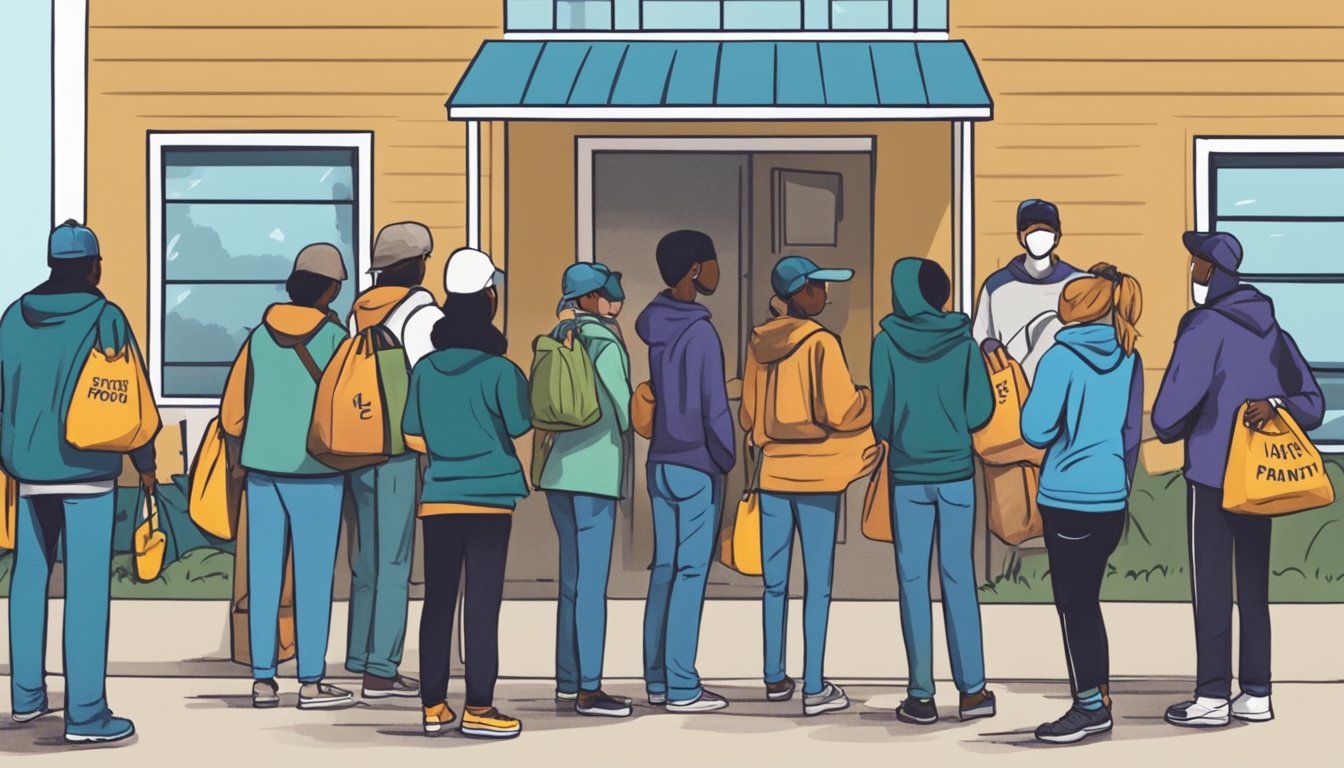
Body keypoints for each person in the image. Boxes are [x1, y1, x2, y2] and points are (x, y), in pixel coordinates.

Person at [1152, 232, 1324, 728]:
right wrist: (1275, 405)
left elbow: (1167, 416)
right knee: (1252, 588)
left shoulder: (1201, 326)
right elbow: (1312, 403)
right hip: (1262, 478)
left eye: (1196, 266)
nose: (1191, 275)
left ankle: (1210, 696)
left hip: (1211, 476)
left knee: (1211, 587)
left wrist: (1178, 423)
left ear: (1209, 272)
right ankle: (1255, 693)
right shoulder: (1273, 331)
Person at [0, 220, 157, 744]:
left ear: (51, 264)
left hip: (26, 469)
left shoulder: (13, 319)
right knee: (86, 587)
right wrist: (147, 461)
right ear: (93, 266)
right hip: (88, 471)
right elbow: (130, 395)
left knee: (29, 576)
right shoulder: (106, 317)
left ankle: (26, 698)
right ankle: (86, 715)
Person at [740, 256, 876, 716]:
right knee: (816, 584)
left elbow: (747, 416)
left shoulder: (759, 344)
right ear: (801, 294)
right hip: (818, 475)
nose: (825, 294)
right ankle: (815, 686)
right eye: (818, 286)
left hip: (773, 472)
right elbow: (842, 411)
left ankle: (775, 677)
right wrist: (869, 399)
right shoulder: (822, 343)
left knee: (773, 583)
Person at [406, 247, 531, 739]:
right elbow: (521, 423)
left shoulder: (424, 370)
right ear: (487, 298)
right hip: (490, 499)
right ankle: (480, 706)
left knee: (438, 601)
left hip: (439, 497)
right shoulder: (500, 371)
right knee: (481, 603)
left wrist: (447, 443)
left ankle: (433, 705)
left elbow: (412, 433)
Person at [221, 243, 351, 711]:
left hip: (261, 470)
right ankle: (312, 682)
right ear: (331, 288)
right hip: (317, 470)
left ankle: (262, 679)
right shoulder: (337, 341)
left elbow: (232, 415)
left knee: (264, 574)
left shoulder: (258, 336)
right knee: (314, 576)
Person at [1021, 263, 1144, 744]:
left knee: (1074, 605)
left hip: (1067, 497)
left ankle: (1089, 707)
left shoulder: (1059, 359)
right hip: (1111, 496)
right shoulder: (1130, 354)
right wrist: (1120, 480)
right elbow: (1131, 432)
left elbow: (1035, 429)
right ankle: (1101, 692)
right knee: (1088, 600)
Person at [871, 257, 996, 726]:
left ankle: (921, 694)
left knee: (912, 583)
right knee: (959, 577)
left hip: (908, 477)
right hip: (957, 472)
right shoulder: (963, 344)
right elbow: (981, 409)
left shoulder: (885, 344)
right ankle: (973, 691)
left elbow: (879, 417)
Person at [634, 229, 736, 713]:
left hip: (660, 462)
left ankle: (655, 678)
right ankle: (682, 685)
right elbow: (714, 406)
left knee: (665, 570)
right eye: (711, 261)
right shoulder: (700, 332)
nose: (717, 270)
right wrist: (727, 457)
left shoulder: (657, 325)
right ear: (695, 269)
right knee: (692, 572)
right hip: (697, 464)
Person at [343, 222, 442, 700]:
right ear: (418, 263)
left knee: (365, 557)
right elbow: (430, 380)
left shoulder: (357, 311)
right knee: (396, 557)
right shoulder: (421, 313)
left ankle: (359, 654)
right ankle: (382, 669)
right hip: (400, 449)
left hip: (357, 443)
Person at [538, 262, 634, 717]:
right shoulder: (606, 342)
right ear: (591, 298)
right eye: (607, 291)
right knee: (594, 584)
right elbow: (627, 409)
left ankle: (566, 678)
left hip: (558, 472)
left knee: (571, 581)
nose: (616, 298)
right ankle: (590, 689)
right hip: (596, 474)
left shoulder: (558, 337)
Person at [972, 199, 1084, 381]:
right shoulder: (996, 286)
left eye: (1046, 231)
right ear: (1020, 237)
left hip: (1067, 390)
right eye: (1031, 232)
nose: (1039, 237)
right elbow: (981, 341)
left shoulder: (1078, 284)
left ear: (1057, 236)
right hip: (1011, 394)